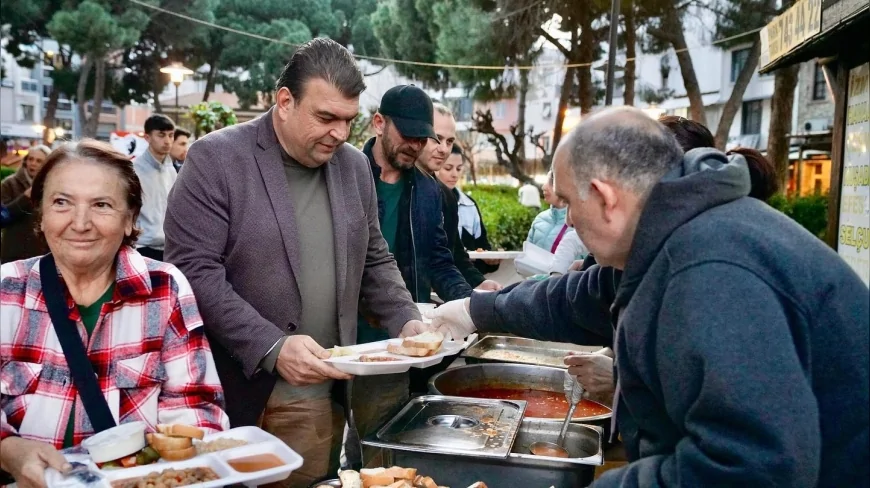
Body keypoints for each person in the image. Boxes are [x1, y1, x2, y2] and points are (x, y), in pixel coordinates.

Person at [430, 107, 870, 487]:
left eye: (567, 201)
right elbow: (574, 297)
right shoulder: (669, 233)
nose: (567, 216)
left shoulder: (709, 269)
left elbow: (752, 467)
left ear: (604, 197)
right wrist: (474, 310)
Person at [163, 39, 427, 488]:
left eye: (348, 119)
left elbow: (374, 258)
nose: (340, 134)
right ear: (284, 101)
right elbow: (192, 271)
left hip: (318, 395)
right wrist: (270, 346)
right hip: (240, 391)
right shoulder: (217, 158)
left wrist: (407, 320)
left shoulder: (353, 168)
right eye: (326, 118)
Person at [0, 140, 229, 487]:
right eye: (61, 202)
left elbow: (196, 408)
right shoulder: (6, 289)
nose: (80, 223)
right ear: (41, 215)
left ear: (129, 220)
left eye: (101, 205)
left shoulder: (165, 289)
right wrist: (7, 447)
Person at [415, 102, 500, 290]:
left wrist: (479, 283)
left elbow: (453, 255)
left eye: (450, 141)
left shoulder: (446, 196)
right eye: (437, 138)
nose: (444, 149)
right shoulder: (388, 183)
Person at [436, 145, 499, 274]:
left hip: (467, 283)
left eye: (459, 169)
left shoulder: (469, 204)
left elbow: (482, 247)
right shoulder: (421, 202)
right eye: (448, 168)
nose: (454, 174)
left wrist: (492, 261)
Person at [132, 114, 177, 261]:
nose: (167, 141)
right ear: (147, 137)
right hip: (142, 247)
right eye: (161, 135)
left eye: (171, 135)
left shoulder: (172, 170)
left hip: (169, 246)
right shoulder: (134, 170)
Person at [1, 145, 51, 263]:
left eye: (39, 161)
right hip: (14, 252)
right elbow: (3, 217)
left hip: (43, 254)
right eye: (30, 159)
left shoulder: (52, 186)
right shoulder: (9, 184)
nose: (33, 163)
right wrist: (25, 197)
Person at [527, 170, 569, 253]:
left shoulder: (579, 225)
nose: (544, 187)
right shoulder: (540, 218)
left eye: (551, 182)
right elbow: (528, 253)